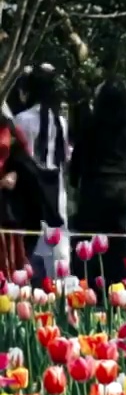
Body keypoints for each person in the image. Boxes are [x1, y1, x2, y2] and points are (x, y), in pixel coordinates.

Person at [69, 80, 126, 290]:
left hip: (92, 189)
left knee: (87, 243)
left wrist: (75, 186)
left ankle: (88, 288)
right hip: (119, 190)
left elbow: (76, 161)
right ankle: (116, 289)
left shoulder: (89, 126)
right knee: (117, 245)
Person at [13, 69, 71, 277]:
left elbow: (19, 155)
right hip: (56, 188)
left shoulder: (22, 120)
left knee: (29, 243)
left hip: (30, 188)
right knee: (58, 246)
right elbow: (65, 156)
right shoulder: (60, 121)